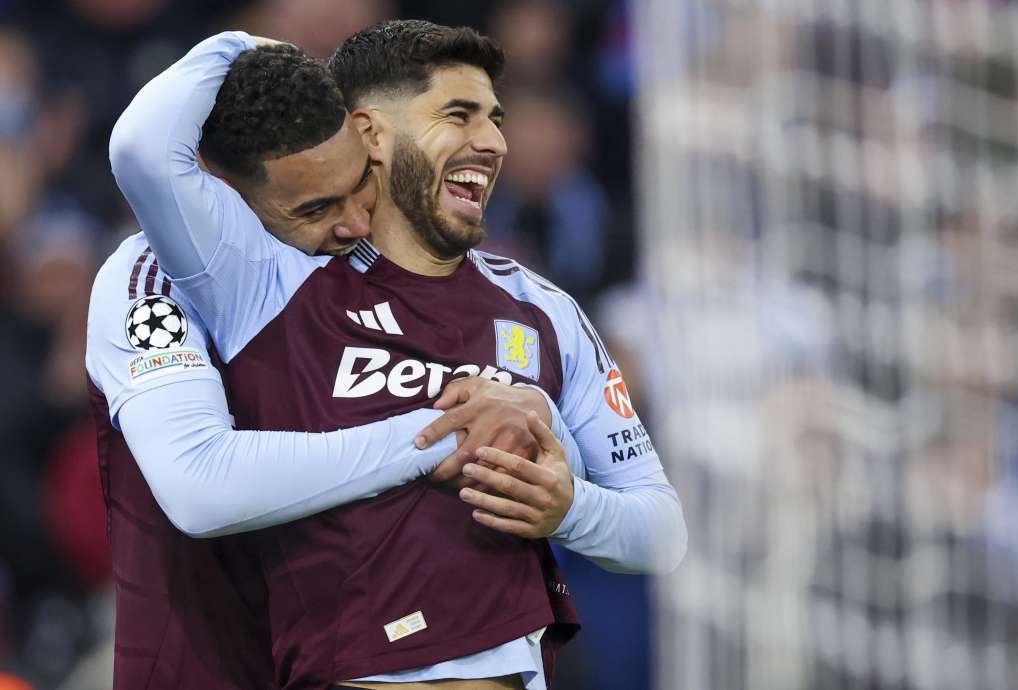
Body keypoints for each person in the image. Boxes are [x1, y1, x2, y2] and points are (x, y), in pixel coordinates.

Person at [110, 25, 686, 689]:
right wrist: (248, 45)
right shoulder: (265, 280)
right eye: (459, 115)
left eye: (496, 119)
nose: (493, 142)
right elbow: (143, 149)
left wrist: (569, 509)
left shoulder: (545, 309)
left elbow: (662, 532)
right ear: (370, 133)